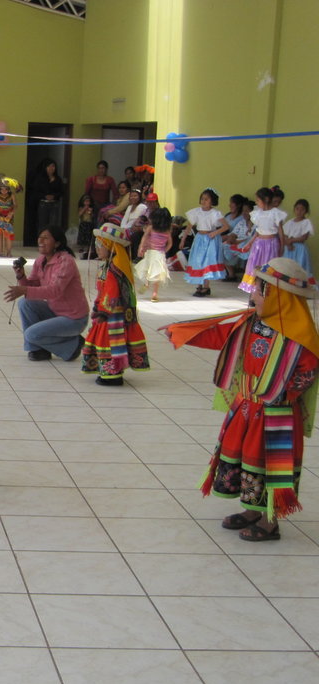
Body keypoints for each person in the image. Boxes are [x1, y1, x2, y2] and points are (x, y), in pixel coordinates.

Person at [162, 258, 319, 542]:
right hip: (246, 406)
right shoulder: (252, 323)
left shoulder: (301, 337)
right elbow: (221, 335)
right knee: (246, 458)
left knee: (270, 464)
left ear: (277, 296)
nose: (252, 294)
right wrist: (185, 334)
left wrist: (279, 395)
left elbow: (307, 371)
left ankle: (270, 522)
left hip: (275, 414)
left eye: (258, 290)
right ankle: (252, 510)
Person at [4, 225, 89, 361]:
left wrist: (25, 290)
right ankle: (37, 350)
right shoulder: (41, 260)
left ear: (57, 243)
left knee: (31, 334)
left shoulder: (65, 261)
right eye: (40, 237)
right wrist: (21, 276)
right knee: (25, 303)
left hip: (74, 318)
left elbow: (55, 290)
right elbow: (32, 285)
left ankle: (72, 346)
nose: (41, 241)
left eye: (46, 238)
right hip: (55, 311)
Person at [80, 223, 149, 386]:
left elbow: (111, 294)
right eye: (97, 244)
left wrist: (103, 311)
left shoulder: (113, 270)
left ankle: (112, 374)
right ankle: (110, 372)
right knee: (109, 342)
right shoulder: (109, 267)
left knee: (108, 342)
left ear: (111, 247)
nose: (97, 248)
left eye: (100, 244)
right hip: (107, 313)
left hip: (111, 317)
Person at [181, 187, 230, 296]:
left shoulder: (215, 213)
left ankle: (206, 286)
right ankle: (199, 284)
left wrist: (215, 233)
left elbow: (226, 226)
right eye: (202, 199)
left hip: (210, 240)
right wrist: (183, 239)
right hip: (199, 239)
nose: (203, 201)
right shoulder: (196, 212)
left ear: (212, 201)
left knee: (207, 262)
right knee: (198, 261)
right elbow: (189, 227)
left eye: (206, 199)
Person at [240, 187, 287, 296]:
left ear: (266, 199)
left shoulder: (275, 213)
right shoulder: (258, 213)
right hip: (259, 244)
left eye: (258, 200)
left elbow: (280, 231)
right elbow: (258, 231)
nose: (256, 202)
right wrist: (249, 243)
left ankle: (267, 294)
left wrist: (282, 246)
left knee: (268, 268)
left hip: (271, 244)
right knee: (256, 267)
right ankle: (255, 294)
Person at [135, 206, 173, 302]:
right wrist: (164, 250)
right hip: (154, 253)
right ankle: (148, 285)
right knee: (150, 270)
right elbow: (170, 243)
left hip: (155, 254)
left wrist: (141, 247)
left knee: (155, 273)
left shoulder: (152, 228)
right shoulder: (165, 230)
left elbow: (144, 237)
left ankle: (154, 292)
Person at [220, 194, 251, 280]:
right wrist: (231, 238)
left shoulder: (254, 224)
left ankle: (247, 275)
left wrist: (235, 241)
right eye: (244, 211)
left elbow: (250, 238)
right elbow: (234, 233)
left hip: (245, 244)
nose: (244, 213)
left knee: (228, 246)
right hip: (235, 241)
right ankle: (231, 274)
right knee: (221, 246)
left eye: (247, 211)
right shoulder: (241, 222)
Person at [0, 173, 20, 258]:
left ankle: (9, 252)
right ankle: (0, 251)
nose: (4, 191)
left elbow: (15, 205)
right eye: (2, 189)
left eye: (5, 189)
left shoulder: (12, 195)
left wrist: (11, 213)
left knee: (8, 235)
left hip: (9, 217)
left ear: (8, 189)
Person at [30, 158, 64, 234]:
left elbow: (62, 192)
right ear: (45, 167)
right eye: (49, 166)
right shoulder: (40, 179)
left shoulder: (58, 179)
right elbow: (35, 192)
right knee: (42, 225)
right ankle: (42, 239)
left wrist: (54, 196)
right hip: (43, 204)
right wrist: (44, 196)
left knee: (53, 225)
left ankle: (52, 240)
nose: (51, 168)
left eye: (53, 166)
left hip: (54, 204)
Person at [282, 199, 313, 276]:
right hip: (289, 248)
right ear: (294, 209)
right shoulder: (290, 222)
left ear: (306, 211)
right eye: (297, 209)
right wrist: (288, 243)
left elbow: (304, 237)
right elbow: (284, 235)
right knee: (288, 268)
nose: (299, 211)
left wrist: (291, 240)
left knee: (299, 268)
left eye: (302, 209)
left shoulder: (306, 222)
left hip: (299, 249)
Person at [76, 194, 95, 258]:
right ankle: (81, 248)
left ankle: (87, 248)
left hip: (89, 224)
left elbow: (92, 216)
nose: (87, 203)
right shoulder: (81, 208)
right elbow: (79, 214)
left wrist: (91, 212)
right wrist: (84, 209)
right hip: (83, 223)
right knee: (82, 236)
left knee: (88, 236)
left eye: (88, 201)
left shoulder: (91, 208)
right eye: (85, 201)